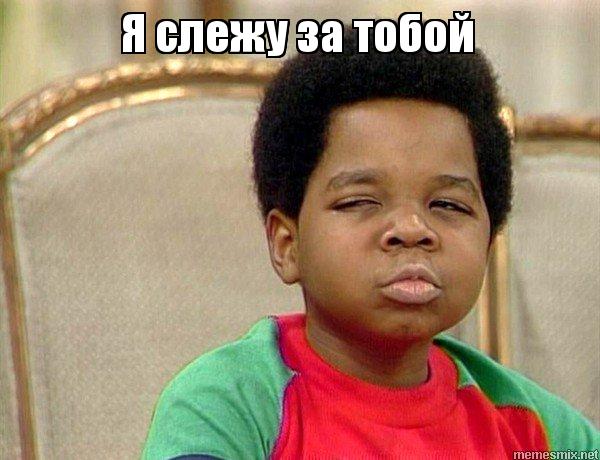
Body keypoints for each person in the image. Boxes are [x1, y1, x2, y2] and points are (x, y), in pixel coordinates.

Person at [142, 27, 599, 459]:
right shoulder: (230, 404)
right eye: (360, 201)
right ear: (287, 244)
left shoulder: (535, 430)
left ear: (488, 243)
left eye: (448, 205)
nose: (412, 229)